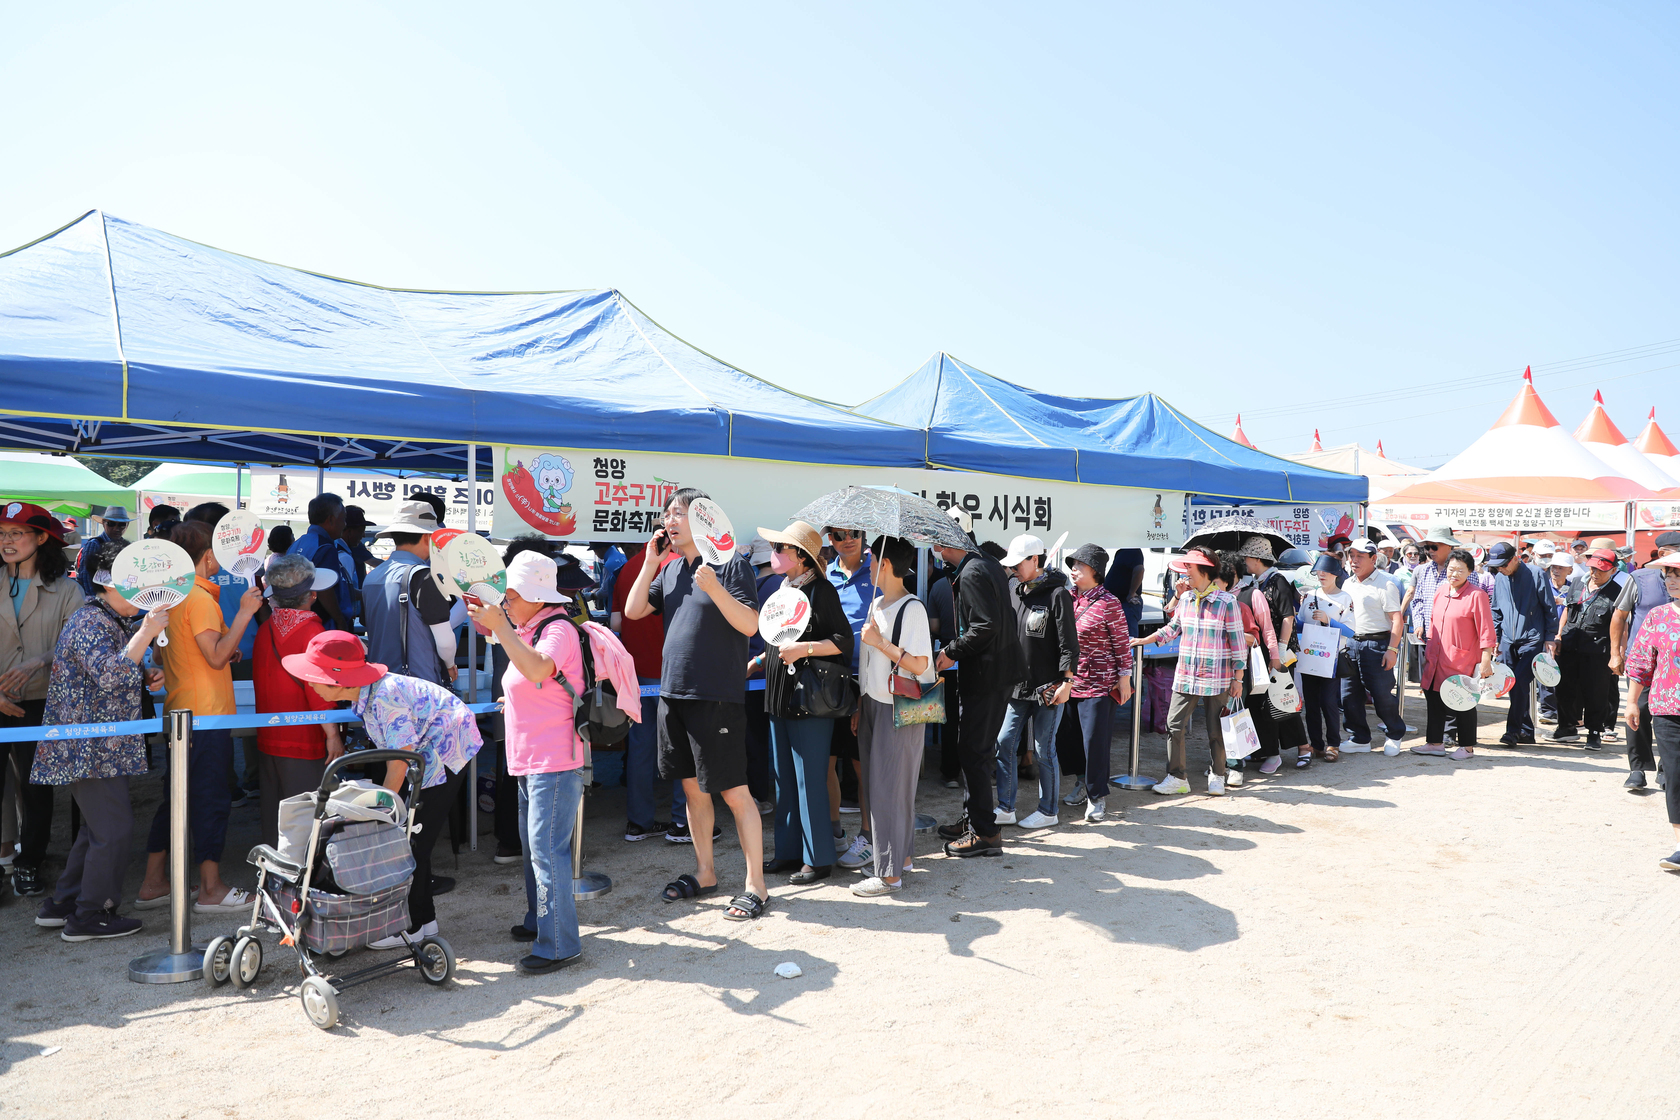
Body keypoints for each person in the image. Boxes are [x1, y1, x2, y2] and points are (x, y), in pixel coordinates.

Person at [281, 631, 481, 948]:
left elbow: (399, 761)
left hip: (444, 751)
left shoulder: (384, 697)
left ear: (339, 681)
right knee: (413, 839)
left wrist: (385, 812)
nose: (310, 684)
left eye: (314, 677)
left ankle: (412, 927)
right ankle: (425, 923)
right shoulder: (368, 692)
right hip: (427, 751)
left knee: (407, 843)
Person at [623, 488, 768, 920]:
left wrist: (714, 587)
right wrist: (651, 561)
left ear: (704, 520)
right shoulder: (669, 569)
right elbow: (632, 612)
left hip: (716, 695)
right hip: (673, 693)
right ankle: (705, 873)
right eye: (667, 514)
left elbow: (750, 624)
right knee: (690, 787)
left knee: (734, 791)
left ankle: (755, 886)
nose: (670, 521)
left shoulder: (730, 564)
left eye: (680, 514)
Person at [29, 539, 169, 939]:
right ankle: (90, 915)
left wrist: (141, 672)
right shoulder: (93, 621)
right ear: (113, 584)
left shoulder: (108, 620)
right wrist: (145, 633)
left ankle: (66, 903)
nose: (147, 594)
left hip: (98, 747)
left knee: (96, 828)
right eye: (140, 584)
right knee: (114, 829)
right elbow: (107, 675)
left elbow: (106, 672)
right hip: (89, 748)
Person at [466, 552, 587, 972]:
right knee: (537, 849)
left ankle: (559, 944)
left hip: (552, 758)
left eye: (511, 596)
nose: (506, 604)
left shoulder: (557, 629)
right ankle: (541, 923)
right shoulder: (529, 627)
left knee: (546, 851)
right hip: (531, 757)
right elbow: (533, 678)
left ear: (537, 596)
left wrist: (501, 628)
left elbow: (538, 668)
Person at [136, 521, 263, 914]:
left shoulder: (171, 596)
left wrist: (223, 647)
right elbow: (215, 656)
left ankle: (154, 882)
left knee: (175, 799)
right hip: (206, 716)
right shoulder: (201, 598)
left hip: (179, 710)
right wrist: (244, 614)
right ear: (208, 556)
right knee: (210, 799)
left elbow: (161, 654)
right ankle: (211, 888)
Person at [754, 521, 852, 884]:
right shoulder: (782, 590)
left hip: (810, 698)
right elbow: (779, 639)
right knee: (783, 778)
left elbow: (843, 641)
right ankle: (789, 852)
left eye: (781, 547)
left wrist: (804, 649)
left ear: (801, 556)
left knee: (809, 778)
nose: (775, 553)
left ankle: (818, 858)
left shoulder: (821, 590)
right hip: (779, 694)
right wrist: (759, 661)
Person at [0, 503, 85, 898]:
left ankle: (29, 861)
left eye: (16, 533)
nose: (7, 541)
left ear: (41, 538)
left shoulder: (68, 589)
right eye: (2, 534)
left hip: (43, 703)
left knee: (38, 787)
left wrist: (41, 659)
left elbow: (76, 645)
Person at [933, 528, 1025, 857]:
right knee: (976, 750)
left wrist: (951, 651)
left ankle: (984, 832)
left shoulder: (973, 571)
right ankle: (975, 817)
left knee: (973, 750)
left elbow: (984, 626)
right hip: (996, 672)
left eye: (938, 542)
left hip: (986, 674)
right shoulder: (985, 563)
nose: (935, 548)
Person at [852, 535, 935, 895]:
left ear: (884, 564)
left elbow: (921, 665)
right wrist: (860, 705)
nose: (867, 565)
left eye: (871, 559)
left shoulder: (911, 607)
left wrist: (880, 642)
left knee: (889, 789)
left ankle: (888, 875)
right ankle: (899, 860)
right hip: (874, 703)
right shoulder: (879, 605)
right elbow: (869, 665)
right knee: (882, 787)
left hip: (899, 706)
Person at [1134, 548, 1246, 795]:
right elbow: (1171, 628)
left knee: (1216, 730)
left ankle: (1218, 775)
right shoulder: (1185, 599)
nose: (1185, 573)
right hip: (1185, 676)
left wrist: (1238, 677)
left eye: (1190, 568)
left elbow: (1238, 644)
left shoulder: (1227, 602)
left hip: (1217, 678)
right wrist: (1143, 640)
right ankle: (1177, 777)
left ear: (1205, 570)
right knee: (1174, 725)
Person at [250, 554, 343, 849]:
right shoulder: (314, 634)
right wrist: (333, 735)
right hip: (305, 740)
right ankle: (304, 883)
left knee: (275, 818)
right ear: (312, 596)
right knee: (306, 818)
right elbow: (319, 691)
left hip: (269, 736)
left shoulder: (264, 630)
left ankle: (274, 877)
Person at [993, 533, 1079, 829]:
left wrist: (1067, 682)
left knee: (1045, 749)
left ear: (1035, 560)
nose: (1014, 569)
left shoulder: (1058, 594)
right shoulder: (1014, 588)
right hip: (1016, 685)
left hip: (1049, 688)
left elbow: (1070, 643)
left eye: (1018, 563)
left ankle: (1048, 810)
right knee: (1004, 741)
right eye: (1011, 564)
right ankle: (1005, 806)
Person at [610, 541, 676, 842]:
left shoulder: (625, 570)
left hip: (636, 672)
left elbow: (615, 623)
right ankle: (683, 820)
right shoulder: (681, 564)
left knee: (640, 745)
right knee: (682, 744)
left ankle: (639, 821)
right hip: (675, 670)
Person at [1620, 555, 1680, 868]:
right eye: (1668, 574)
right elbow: (1642, 663)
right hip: (1667, 710)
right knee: (1675, 776)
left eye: (1677, 575)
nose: (1670, 580)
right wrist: (1632, 702)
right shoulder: (1658, 616)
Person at [1064, 545, 1132, 821]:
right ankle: (1082, 782)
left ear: (1095, 571)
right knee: (1069, 740)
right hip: (1069, 681)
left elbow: (1122, 644)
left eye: (1080, 565)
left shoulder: (1108, 602)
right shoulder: (1067, 598)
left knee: (1095, 741)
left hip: (1099, 684)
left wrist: (1124, 679)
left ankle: (1097, 795)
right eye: (1073, 564)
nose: (1074, 569)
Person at [823, 524, 875, 869]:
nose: (848, 539)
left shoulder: (880, 567)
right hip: (829, 679)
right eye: (839, 535)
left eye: (854, 532)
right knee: (827, 759)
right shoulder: (825, 573)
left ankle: (869, 837)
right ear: (830, 540)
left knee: (862, 765)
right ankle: (834, 832)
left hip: (867, 679)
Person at [1611, 532, 1680, 789]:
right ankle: (1638, 767)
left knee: (1668, 719)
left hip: (1672, 668)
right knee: (1637, 710)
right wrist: (1615, 653)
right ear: (1661, 554)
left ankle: (1666, 768)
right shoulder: (1638, 578)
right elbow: (1619, 615)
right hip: (1642, 660)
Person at [1412, 548, 1495, 760]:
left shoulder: (1477, 595)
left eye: (1460, 570)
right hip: (1437, 655)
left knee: (1463, 701)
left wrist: (1486, 660)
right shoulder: (1441, 591)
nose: (1454, 574)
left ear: (1469, 571)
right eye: (1451, 569)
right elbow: (1432, 622)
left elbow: (1486, 629)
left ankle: (1467, 747)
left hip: (1462, 658)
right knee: (1434, 696)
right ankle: (1435, 742)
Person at [362, 501, 456, 686]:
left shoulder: (372, 577)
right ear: (427, 537)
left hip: (378, 682)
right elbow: (445, 642)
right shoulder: (424, 577)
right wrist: (450, 664)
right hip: (417, 686)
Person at [1235, 535, 1308, 773]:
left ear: (1257, 559)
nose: (1244, 561)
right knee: (1267, 702)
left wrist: (1281, 648)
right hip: (1265, 651)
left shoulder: (1277, 581)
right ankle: (1270, 749)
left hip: (1278, 652)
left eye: (1247, 557)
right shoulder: (1260, 582)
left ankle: (1302, 746)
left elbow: (1288, 616)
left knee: (1281, 699)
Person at [1339, 537, 1409, 756]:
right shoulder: (1347, 583)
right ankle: (1359, 737)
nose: (1354, 560)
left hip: (1378, 643)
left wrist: (1392, 649)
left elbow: (1397, 619)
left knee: (1381, 694)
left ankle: (1394, 734)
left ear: (1373, 558)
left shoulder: (1386, 583)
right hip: (1350, 643)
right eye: (1352, 555)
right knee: (1348, 695)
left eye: (1360, 556)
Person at [1484, 540, 1556, 748]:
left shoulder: (1536, 574)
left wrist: (1550, 637)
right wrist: (1495, 638)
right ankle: (1526, 731)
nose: (1501, 568)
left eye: (1504, 564)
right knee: (1512, 685)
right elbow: (1496, 610)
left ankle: (1512, 731)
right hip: (1507, 639)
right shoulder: (1499, 578)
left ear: (1515, 558)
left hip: (1532, 638)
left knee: (1519, 685)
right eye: (1497, 566)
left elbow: (1549, 608)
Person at [1552, 547, 1621, 749]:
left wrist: (1617, 654)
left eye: (1601, 570)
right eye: (1592, 569)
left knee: (1596, 692)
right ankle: (1566, 727)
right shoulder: (1576, 584)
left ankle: (1594, 732)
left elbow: (1620, 626)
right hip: (1570, 644)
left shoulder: (1617, 593)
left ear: (1613, 570)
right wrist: (1558, 635)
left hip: (1597, 650)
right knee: (1564, 688)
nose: (1595, 574)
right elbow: (1567, 609)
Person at [1297, 554, 1353, 765]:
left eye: (1326, 571)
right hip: (1310, 654)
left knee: (1329, 701)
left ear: (1336, 573)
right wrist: (1297, 621)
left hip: (1332, 657)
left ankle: (1333, 744)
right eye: (1319, 571)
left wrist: (1329, 620)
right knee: (1310, 703)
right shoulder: (1309, 596)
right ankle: (1316, 744)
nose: (1322, 575)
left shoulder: (1345, 598)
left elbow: (1350, 630)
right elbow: (1301, 625)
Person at [288, 493, 357, 631]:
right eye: (343, 519)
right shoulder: (324, 547)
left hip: (294, 620)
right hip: (320, 624)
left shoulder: (296, 544)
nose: (344, 525)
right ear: (331, 520)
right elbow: (325, 589)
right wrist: (340, 620)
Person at [74, 504, 131, 597]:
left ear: (127, 525)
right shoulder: (94, 544)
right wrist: (97, 600)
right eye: (111, 524)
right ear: (104, 523)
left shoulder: (126, 546)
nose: (116, 528)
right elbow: (86, 576)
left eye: (121, 524)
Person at [340, 505, 377, 587]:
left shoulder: (335, 547)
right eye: (360, 531)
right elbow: (373, 562)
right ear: (349, 531)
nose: (363, 535)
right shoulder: (346, 553)